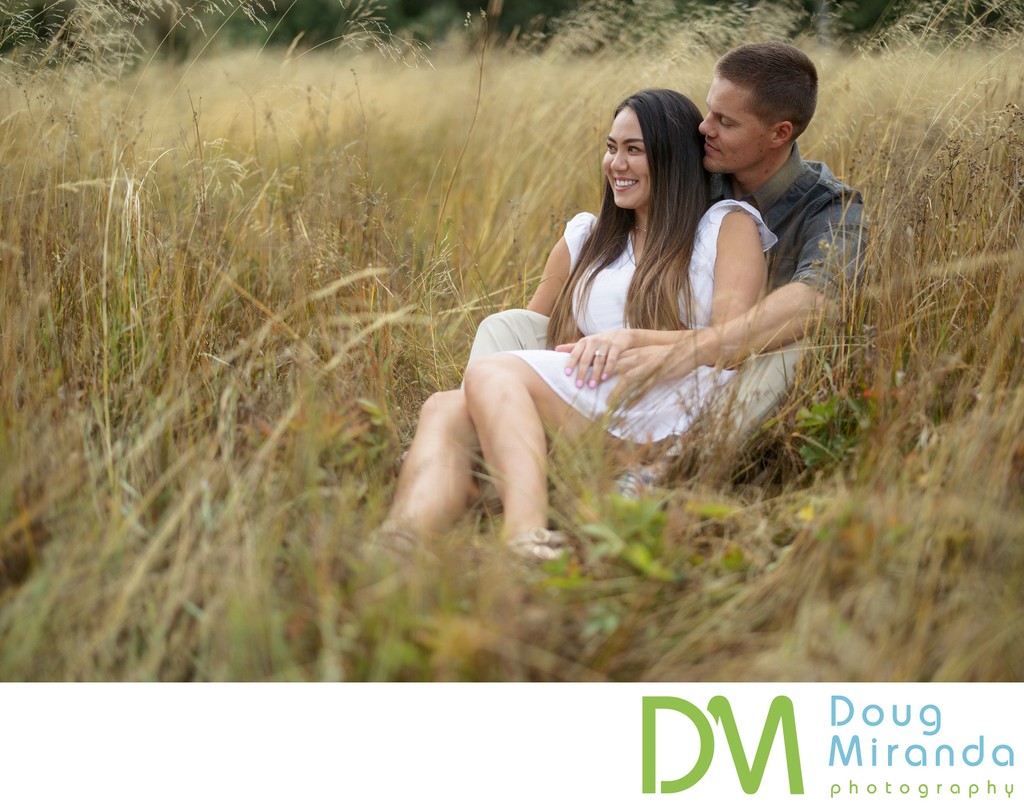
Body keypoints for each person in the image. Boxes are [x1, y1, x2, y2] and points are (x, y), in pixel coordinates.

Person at [375, 88, 775, 561]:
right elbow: (531, 332)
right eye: (611, 148)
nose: (616, 165)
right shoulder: (586, 235)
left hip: (672, 405)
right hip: (586, 404)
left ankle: (525, 535)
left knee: (489, 373)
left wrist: (631, 339)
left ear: (673, 158)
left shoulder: (725, 227)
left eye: (634, 151)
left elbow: (730, 341)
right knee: (445, 406)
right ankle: (397, 545)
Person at [467, 41, 867, 481]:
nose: (704, 127)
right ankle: (480, 458)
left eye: (725, 121)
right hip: (646, 356)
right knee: (506, 327)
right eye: (710, 110)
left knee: (791, 350)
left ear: (779, 133)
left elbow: (820, 298)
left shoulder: (829, 207)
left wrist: (695, 349)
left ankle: (672, 471)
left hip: (731, 372)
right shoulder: (696, 171)